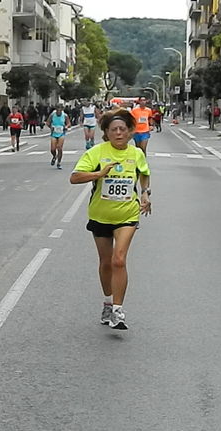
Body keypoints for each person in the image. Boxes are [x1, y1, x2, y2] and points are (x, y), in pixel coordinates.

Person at [69, 108, 151, 330]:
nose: (118, 133)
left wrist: (145, 193)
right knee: (106, 263)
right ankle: (107, 301)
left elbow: (144, 173)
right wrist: (98, 174)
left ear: (130, 132)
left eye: (122, 129)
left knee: (119, 260)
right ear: (106, 132)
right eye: (113, 129)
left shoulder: (136, 154)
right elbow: (74, 178)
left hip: (127, 214)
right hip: (100, 215)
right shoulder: (96, 152)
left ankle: (118, 311)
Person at [45, 103, 71, 170]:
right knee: (53, 149)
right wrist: (51, 127)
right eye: (57, 109)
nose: (58, 111)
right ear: (56, 109)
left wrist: (66, 126)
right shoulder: (52, 115)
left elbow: (69, 123)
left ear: (62, 109)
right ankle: (54, 156)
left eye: (60, 109)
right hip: (54, 133)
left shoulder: (65, 115)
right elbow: (48, 123)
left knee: (59, 147)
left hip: (61, 133)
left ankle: (59, 163)